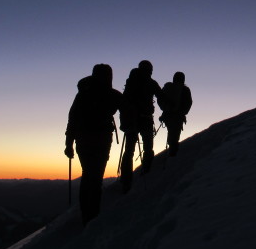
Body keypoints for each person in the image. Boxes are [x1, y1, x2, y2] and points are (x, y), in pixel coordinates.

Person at [64, 63, 122, 225]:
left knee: (89, 175)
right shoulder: (112, 95)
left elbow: (72, 120)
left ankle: (87, 214)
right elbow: (127, 107)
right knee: (95, 177)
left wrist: (69, 144)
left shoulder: (83, 94)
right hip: (101, 139)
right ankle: (92, 216)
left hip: (83, 140)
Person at [119, 60, 164, 191]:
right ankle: (147, 171)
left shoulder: (131, 82)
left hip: (131, 121)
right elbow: (161, 96)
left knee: (129, 151)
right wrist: (170, 107)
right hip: (145, 119)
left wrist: (125, 123)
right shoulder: (151, 83)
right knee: (148, 146)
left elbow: (124, 102)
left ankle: (126, 180)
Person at [159, 71, 192, 157]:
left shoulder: (168, 87)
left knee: (171, 132)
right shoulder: (185, 90)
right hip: (178, 117)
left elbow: (160, 99)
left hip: (167, 116)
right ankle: (173, 154)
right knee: (175, 135)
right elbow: (188, 103)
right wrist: (182, 112)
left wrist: (166, 109)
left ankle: (172, 151)